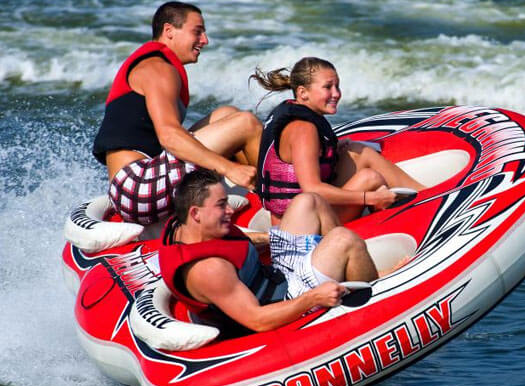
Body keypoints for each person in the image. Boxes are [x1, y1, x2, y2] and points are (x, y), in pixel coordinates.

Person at [158, 168, 389, 333]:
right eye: (221, 205)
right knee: (344, 239)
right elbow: (258, 321)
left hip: (277, 275)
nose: (230, 210)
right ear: (196, 213)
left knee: (309, 201)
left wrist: (270, 238)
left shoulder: (184, 227)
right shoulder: (209, 270)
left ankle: (352, 269)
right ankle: (378, 296)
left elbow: (234, 244)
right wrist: (313, 297)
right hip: (285, 300)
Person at [93, 1, 261, 225]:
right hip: (137, 186)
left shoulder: (155, 64)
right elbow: (169, 136)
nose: (205, 40)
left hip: (136, 182)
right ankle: (280, 200)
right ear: (169, 31)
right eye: (197, 32)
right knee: (246, 124)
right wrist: (229, 168)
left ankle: (258, 196)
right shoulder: (158, 69)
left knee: (226, 114)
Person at [249, 57, 425, 224]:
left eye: (337, 86)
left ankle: (425, 194)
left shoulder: (296, 115)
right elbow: (312, 189)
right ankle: (426, 201)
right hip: (299, 225)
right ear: (303, 93)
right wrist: (369, 197)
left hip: (302, 212)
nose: (336, 94)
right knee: (369, 178)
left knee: (357, 151)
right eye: (328, 87)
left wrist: (329, 148)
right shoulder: (303, 129)